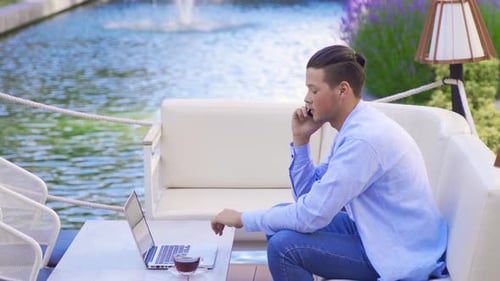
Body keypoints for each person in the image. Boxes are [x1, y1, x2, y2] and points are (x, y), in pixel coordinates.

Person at [210, 45, 448, 281]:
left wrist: (242, 218)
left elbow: (310, 216)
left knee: (284, 247)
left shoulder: (362, 141)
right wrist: (301, 140)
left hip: (398, 252)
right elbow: (308, 198)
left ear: (342, 90)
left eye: (314, 90)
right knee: (279, 217)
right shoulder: (355, 127)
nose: (306, 98)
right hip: (376, 231)